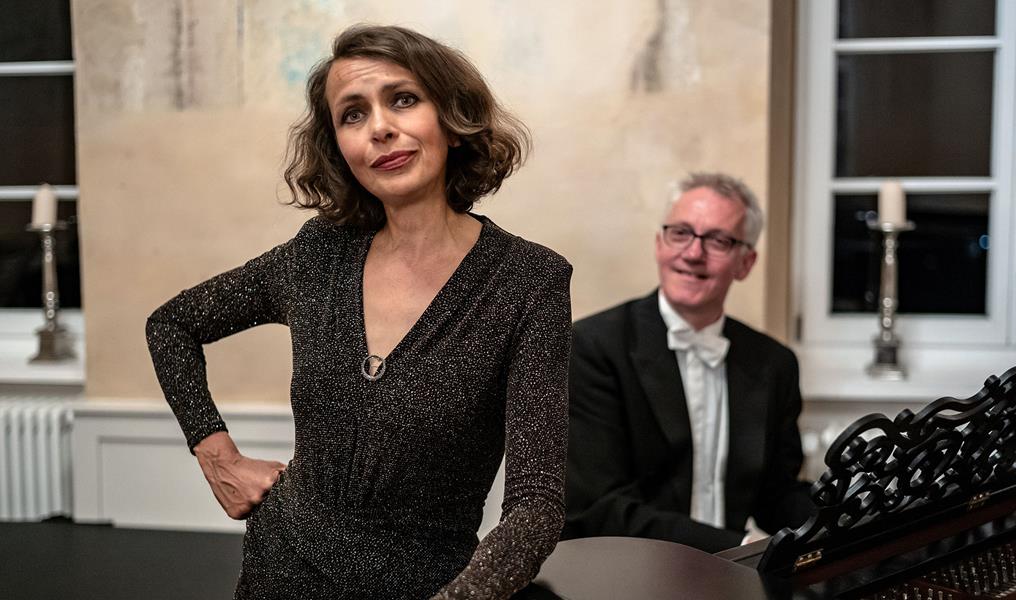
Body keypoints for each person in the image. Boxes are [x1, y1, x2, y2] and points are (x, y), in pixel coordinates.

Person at [146, 25, 572, 600]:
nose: (380, 128)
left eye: (404, 99)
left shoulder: (528, 281)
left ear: (451, 119)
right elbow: (171, 325)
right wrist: (216, 454)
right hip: (277, 575)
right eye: (353, 114)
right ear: (340, 148)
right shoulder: (317, 254)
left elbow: (535, 504)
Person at [562, 173, 812, 553]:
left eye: (718, 240)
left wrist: (848, 518)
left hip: (728, 575)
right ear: (659, 244)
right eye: (680, 233)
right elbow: (600, 507)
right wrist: (742, 546)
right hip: (618, 570)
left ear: (745, 263)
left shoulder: (774, 363)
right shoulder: (593, 347)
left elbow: (776, 495)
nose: (693, 253)